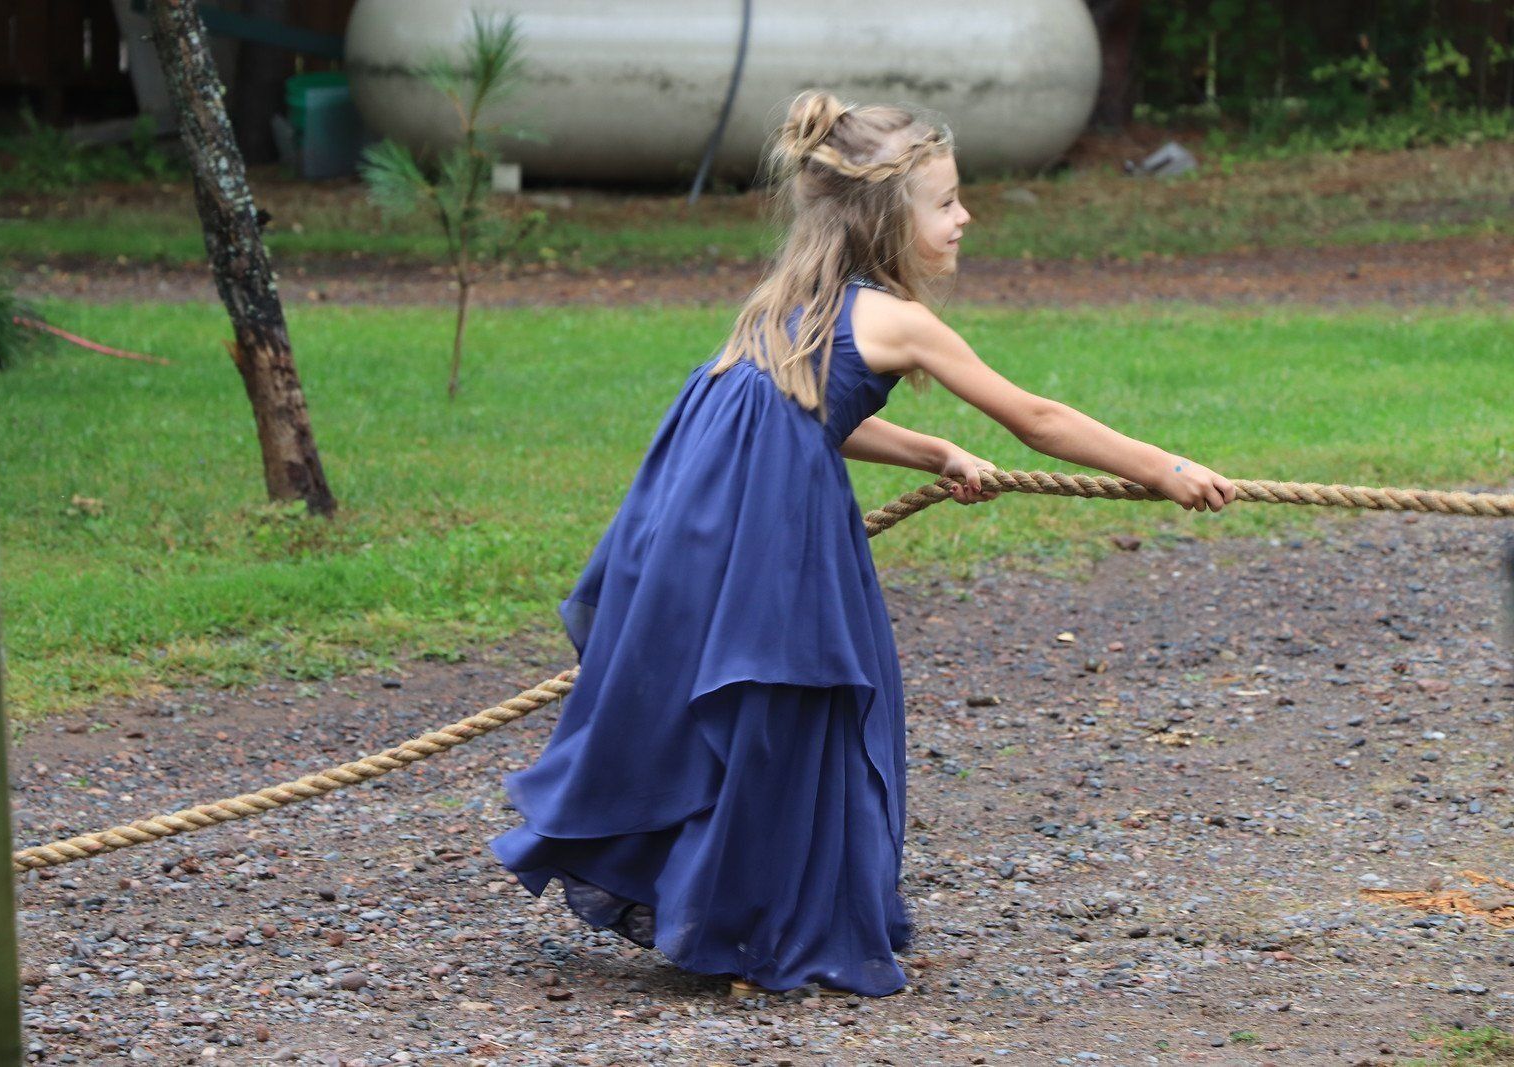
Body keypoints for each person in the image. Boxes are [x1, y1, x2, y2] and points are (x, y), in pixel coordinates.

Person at [488, 90, 1237, 1000]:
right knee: (810, 702)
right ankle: (775, 931)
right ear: (890, 215)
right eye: (947, 201)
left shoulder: (786, 299)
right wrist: (1163, 468)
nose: (965, 218)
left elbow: (805, 411)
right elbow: (1035, 417)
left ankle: (736, 913)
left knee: (739, 706)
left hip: (690, 520)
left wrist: (929, 449)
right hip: (772, 532)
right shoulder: (897, 319)